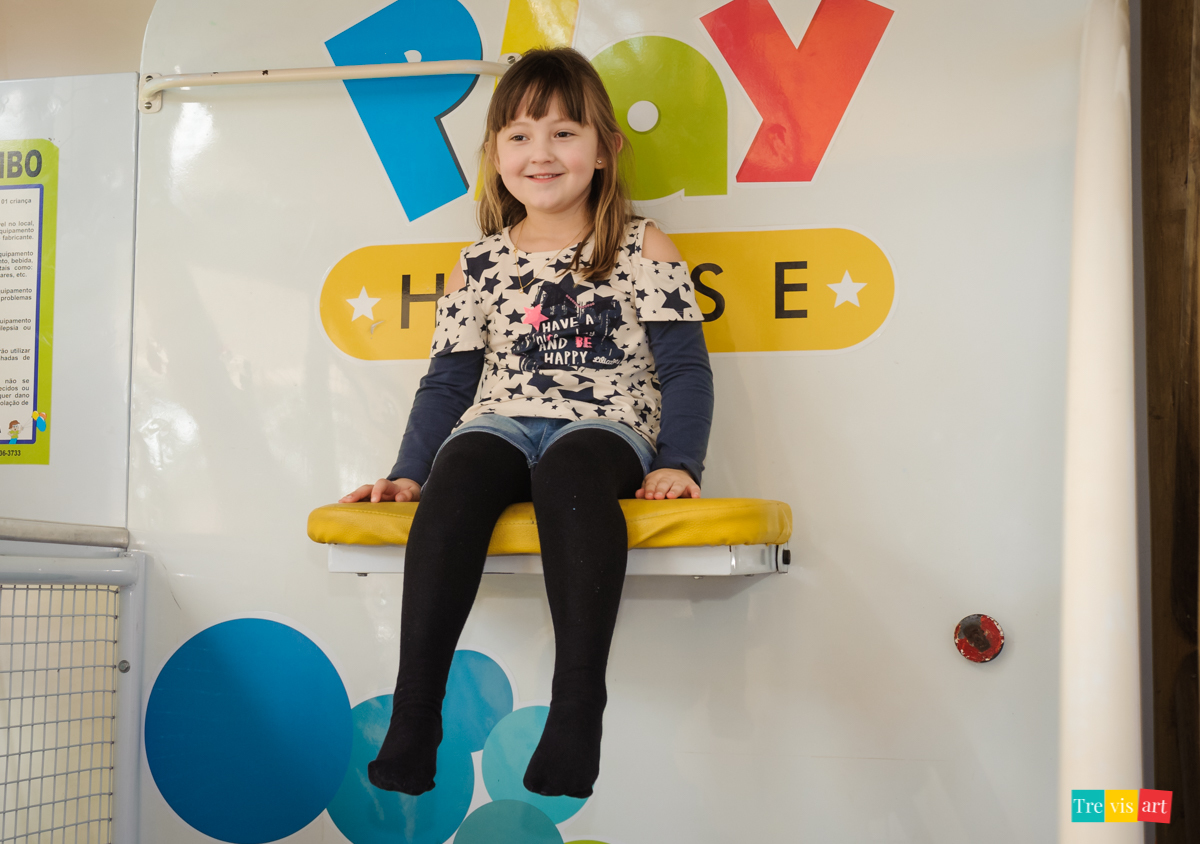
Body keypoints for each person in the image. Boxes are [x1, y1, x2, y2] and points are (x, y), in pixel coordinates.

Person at [340, 46, 714, 799]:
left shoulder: (641, 246)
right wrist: (409, 473)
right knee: (459, 471)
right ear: (495, 155)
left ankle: (577, 712)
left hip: (605, 425)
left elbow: (685, 368)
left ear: (605, 151)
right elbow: (448, 383)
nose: (540, 153)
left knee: (572, 472)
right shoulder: (477, 266)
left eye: (564, 133)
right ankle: (416, 714)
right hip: (502, 422)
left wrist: (680, 461)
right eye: (519, 135)